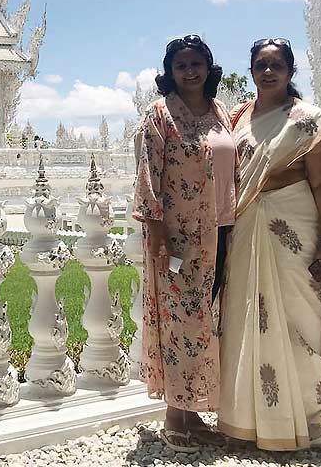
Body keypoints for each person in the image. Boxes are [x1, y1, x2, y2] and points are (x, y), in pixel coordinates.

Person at [217, 38, 321, 451]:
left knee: (300, 315)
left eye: (276, 65)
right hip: (246, 229)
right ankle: (248, 420)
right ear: (251, 70)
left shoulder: (309, 120)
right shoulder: (239, 118)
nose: (267, 72)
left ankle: (306, 416)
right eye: (260, 65)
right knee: (243, 316)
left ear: (291, 71)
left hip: (293, 229)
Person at [133, 34, 235, 452]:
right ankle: (174, 416)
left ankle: (193, 411)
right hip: (176, 239)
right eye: (181, 65)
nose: (189, 71)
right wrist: (156, 232)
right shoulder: (160, 115)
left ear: (209, 69)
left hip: (221, 231)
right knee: (179, 324)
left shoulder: (220, 112)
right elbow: (147, 174)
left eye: (196, 64)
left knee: (205, 323)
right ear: (169, 72)